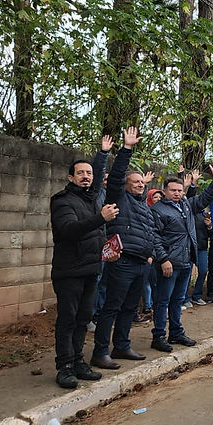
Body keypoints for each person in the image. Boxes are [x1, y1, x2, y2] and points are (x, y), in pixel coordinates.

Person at [49, 135, 119, 388]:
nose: (86, 176)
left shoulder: (91, 200)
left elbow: (95, 234)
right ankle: (64, 366)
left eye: (89, 173)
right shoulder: (62, 200)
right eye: (80, 173)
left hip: (91, 269)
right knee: (67, 320)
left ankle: (78, 361)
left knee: (83, 319)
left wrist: (109, 249)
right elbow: (69, 230)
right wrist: (101, 218)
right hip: (69, 271)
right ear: (71, 177)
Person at [92, 126, 154, 370]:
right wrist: (127, 148)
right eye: (135, 182)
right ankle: (100, 351)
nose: (140, 185)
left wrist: (151, 255)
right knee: (112, 307)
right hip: (123, 261)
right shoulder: (118, 197)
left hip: (141, 263)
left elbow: (150, 234)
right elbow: (116, 175)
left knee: (130, 307)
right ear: (125, 185)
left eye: (142, 182)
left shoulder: (144, 206)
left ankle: (122, 345)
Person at [150, 168, 213, 352]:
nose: (177, 193)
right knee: (163, 300)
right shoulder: (157, 210)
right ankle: (158, 336)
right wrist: (163, 259)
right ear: (164, 191)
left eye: (180, 190)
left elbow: (203, 199)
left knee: (178, 299)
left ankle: (176, 332)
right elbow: (154, 237)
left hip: (186, 260)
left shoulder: (186, 205)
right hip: (168, 263)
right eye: (173, 190)